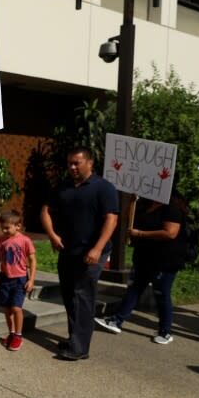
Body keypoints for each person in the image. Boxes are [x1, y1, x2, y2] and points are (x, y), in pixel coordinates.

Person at [41, 146, 118, 361]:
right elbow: (45, 210)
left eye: (77, 163)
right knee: (69, 295)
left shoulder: (103, 188)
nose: (72, 167)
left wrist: (97, 248)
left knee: (82, 295)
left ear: (90, 163)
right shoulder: (63, 187)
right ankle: (75, 337)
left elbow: (111, 219)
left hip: (92, 252)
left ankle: (79, 347)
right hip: (68, 251)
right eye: (69, 163)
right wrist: (52, 235)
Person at [94, 191, 190, 344]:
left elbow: (170, 233)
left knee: (162, 294)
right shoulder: (144, 205)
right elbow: (128, 220)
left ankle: (165, 332)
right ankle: (116, 321)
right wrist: (131, 203)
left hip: (165, 260)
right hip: (144, 258)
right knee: (134, 289)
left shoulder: (172, 209)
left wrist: (140, 234)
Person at [0, 209, 37, 351]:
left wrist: (32, 280)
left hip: (20, 279)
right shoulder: (1, 240)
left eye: (7, 227)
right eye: (2, 227)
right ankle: (11, 333)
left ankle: (18, 335)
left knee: (16, 308)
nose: (4, 230)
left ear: (18, 226)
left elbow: (33, 261)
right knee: (7, 309)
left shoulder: (25, 241)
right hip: (5, 278)